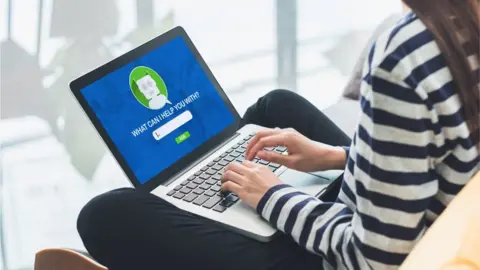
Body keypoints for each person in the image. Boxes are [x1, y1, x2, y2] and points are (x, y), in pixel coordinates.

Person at [77, 1, 479, 269]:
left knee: (106, 215)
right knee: (275, 107)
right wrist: (340, 156)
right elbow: (446, 148)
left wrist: (272, 196)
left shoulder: (407, 52)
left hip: (351, 256)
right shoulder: (460, 29)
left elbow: (372, 259)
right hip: (423, 216)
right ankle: (198, 195)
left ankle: (201, 205)